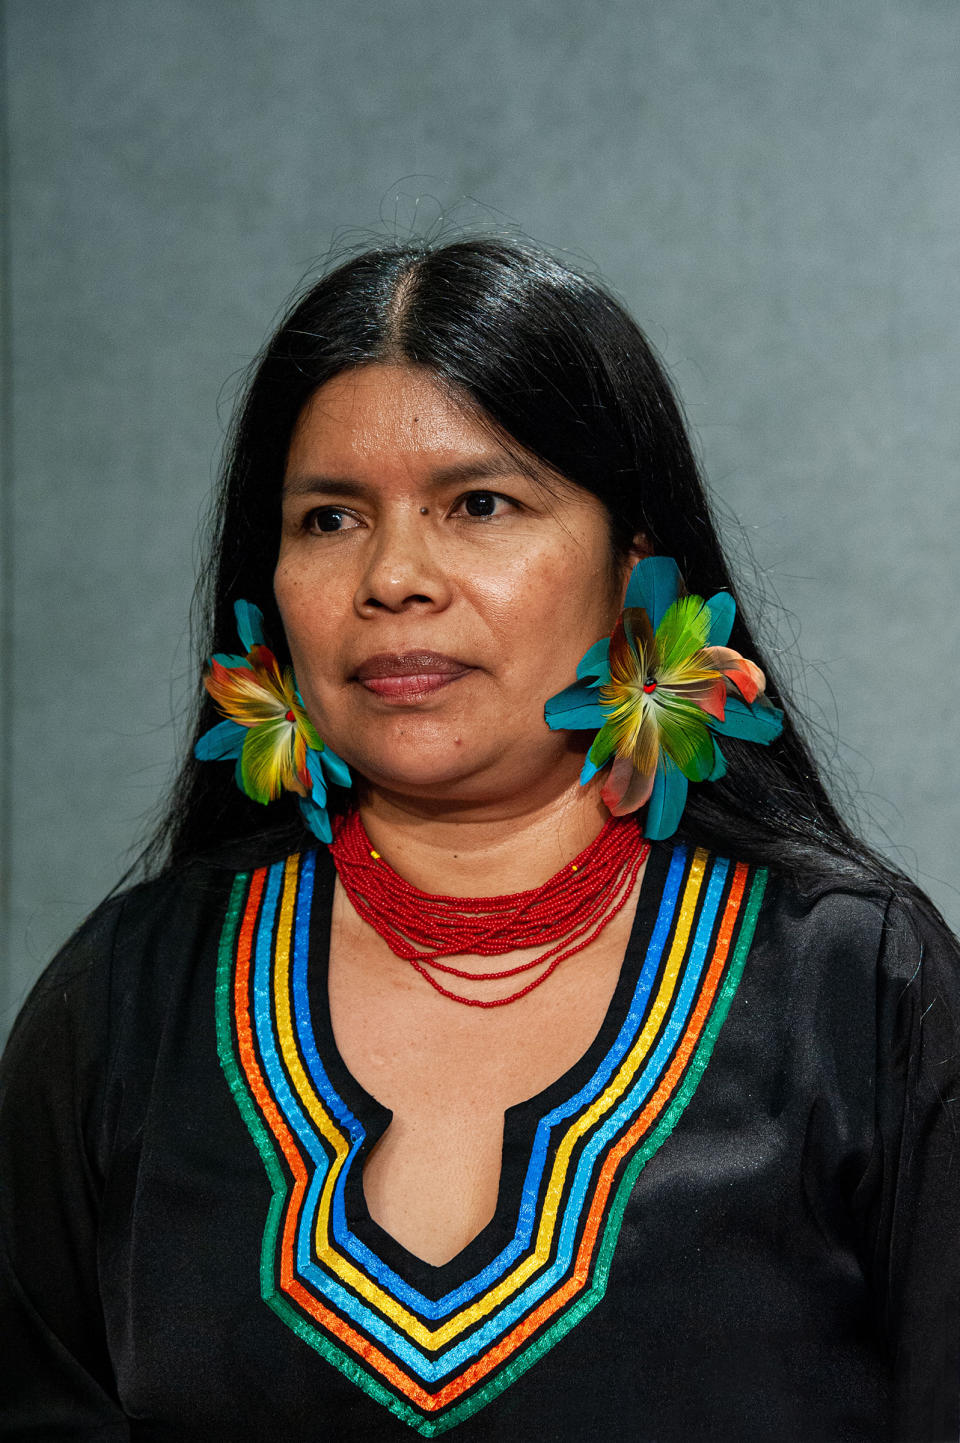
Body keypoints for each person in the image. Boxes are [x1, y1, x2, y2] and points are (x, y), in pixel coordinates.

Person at [1, 238, 957, 1442]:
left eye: (481, 504)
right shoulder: (132, 997)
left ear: (634, 571)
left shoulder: (853, 986)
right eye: (330, 517)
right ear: (273, 585)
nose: (395, 576)